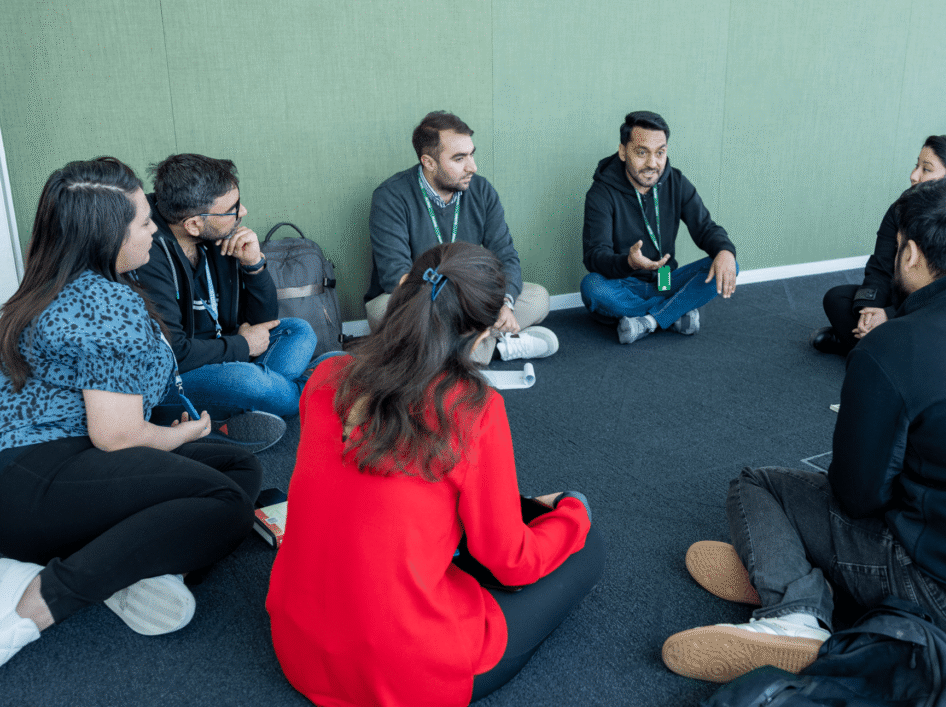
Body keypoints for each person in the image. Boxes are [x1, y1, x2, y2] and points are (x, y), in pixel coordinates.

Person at [661, 176, 946, 683]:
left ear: (910, 254)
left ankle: (797, 615)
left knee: (759, 487)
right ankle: (796, 569)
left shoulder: (894, 348)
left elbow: (856, 498)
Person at [268, 242, 604, 706]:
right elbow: (509, 562)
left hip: (298, 647)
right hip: (402, 671)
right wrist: (570, 514)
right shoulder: (474, 409)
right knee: (585, 543)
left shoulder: (327, 376)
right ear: (484, 334)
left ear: (402, 292)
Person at [0, 158, 261, 668]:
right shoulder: (107, 301)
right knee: (226, 502)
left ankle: (130, 562)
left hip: (35, 475)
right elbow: (117, 437)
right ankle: (37, 601)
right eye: (143, 221)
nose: (152, 230)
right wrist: (180, 438)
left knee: (238, 465)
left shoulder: (43, 288)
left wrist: (180, 438)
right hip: (39, 481)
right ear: (105, 236)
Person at [137, 153, 310, 451]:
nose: (243, 210)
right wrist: (243, 347)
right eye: (231, 210)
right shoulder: (148, 256)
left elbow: (262, 323)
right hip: (177, 374)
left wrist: (254, 265)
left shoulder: (218, 236)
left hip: (225, 349)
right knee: (249, 382)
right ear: (193, 224)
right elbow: (174, 354)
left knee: (298, 331)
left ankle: (250, 413)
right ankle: (313, 394)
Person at [365, 111, 558, 364]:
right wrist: (461, 305)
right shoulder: (390, 196)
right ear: (429, 162)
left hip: (471, 296)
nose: (472, 167)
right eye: (459, 158)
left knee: (537, 298)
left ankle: (442, 354)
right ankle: (494, 347)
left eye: (471, 154)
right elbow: (397, 278)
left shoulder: (481, 190)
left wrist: (505, 303)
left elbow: (506, 256)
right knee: (382, 312)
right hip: (416, 299)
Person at [810, 134, 946, 355]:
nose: (914, 175)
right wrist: (871, 309)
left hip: (942, 308)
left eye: (926, 169)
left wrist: (890, 315)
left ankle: (859, 345)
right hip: (901, 298)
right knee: (837, 298)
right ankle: (873, 345)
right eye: (916, 166)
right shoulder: (902, 206)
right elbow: (880, 264)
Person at [581, 111, 737, 344]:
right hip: (624, 283)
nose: (652, 163)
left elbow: (705, 228)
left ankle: (648, 322)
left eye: (660, 153)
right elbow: (595, 256)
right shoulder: (601, 193)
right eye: (642, 153)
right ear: (623, 151)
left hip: (666, 280)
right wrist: (629, 262)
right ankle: (674, 314)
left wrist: (725, 250)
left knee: (727, 263)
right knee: (592, 286)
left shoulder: (676, 182)